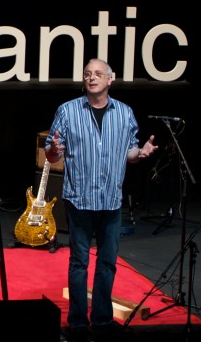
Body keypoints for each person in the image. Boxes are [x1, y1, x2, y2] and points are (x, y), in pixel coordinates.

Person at [45, 58, 157, 341]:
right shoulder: (68, 111)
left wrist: (140, 153)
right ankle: (79, 322)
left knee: (107, 262)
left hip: (110, 201)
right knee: (79, 262)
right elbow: (53, 152)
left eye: (97, 74)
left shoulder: (125, 113)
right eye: (87, 74)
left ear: (110, 79)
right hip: (80, 199)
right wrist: (53, 150)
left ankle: (104, 320)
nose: (91, 77)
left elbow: (129, 152)